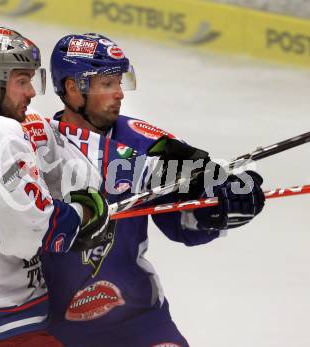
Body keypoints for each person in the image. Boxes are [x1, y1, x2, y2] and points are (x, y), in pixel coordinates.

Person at [41, 33, 266, 347]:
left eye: (119, 82)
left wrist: (221, 207)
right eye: (107, 84)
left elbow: (183, 223)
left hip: (140, 319)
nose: (119, 93)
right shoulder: (35, 147)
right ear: (72, 88)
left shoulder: (147, 141)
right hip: (53, 331)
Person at [0, 27, 113, 347]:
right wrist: (84, 213)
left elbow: (80, 175)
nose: (31, 92)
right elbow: (32, 232)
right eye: (21, 81)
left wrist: (77, 192)